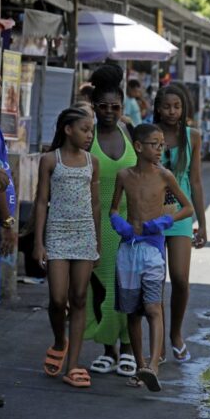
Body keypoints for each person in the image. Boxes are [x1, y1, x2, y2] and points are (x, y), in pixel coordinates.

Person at [111, 124, 194, 392]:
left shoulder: (165, 176)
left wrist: (165, 220)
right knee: (133, 313)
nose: (160, 149)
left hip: (153, 250)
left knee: (153, 308)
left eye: (162, 145)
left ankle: (154, 366)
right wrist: (117, 222)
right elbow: (114, 208)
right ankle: (140, 366)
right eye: (155, 145)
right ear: (138, 147)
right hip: (128, 250)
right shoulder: (124, 176)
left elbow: (187, 207)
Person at [34, 108, 100, 387]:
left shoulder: (92, 162)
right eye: (84, 130)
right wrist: (38, 242)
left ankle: (72, 365)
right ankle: (60, 340)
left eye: (91, 131)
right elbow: (40, 202)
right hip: (58, 233)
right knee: (58, 299)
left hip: (85, 233)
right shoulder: (50, 160)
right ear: (68, 129)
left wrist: (96, 240)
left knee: (80, 297)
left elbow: (95, 203)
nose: (89, 135)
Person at [84, 64, 138, 378]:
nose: (108, 112)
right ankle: (108, 348)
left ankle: (129, 347)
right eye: (102, 107)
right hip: (96, 221)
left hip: (130, 221)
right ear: (94, 107)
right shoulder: (85, 132)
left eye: (115, 107)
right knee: (102, 288)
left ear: (122, 106)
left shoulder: (130, 130)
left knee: (128, 284)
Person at [154, 84, 207, 362]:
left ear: (184, 108)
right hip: (150, 211)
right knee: (155, 281)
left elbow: (196, 181)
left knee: (181, 279)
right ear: (158, 108)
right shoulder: (148, 134)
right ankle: (158, 341)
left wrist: (203, 223)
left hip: (182, 215)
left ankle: (176, 333)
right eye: (166, 106)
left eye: (177, 106)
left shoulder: (193, 137)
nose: (172, 112)